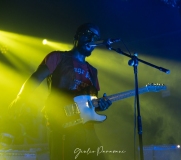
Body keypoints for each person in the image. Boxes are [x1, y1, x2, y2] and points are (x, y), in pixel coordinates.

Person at [8, 23, 112, 160]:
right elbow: (35, 78)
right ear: (77, 36)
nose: (93, 39)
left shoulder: (93, 71)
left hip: (88, 130)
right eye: (89, 34)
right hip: (64, 125)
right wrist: (20, 99)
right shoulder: (58, 57)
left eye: (96, 37)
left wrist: (101, 106)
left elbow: (91, 104)